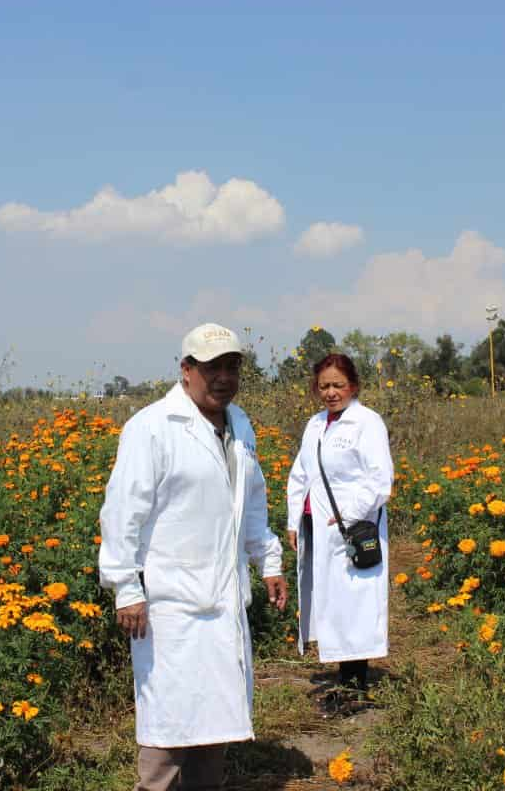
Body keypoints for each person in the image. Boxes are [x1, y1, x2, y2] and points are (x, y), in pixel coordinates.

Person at [99, 322, 288, 791]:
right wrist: (125, 588)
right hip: (170, 605)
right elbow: (122, 513)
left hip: (223, 600)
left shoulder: (240, 424)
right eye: (212, 368)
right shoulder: (152, 428)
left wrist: (268, 559)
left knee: (214, 724)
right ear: (186, 370)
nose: (223, 377)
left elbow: (252, 501)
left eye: (232, 367)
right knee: (167, 729)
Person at [285, 353, 392, 693]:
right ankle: (343, 678)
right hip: (317, 526)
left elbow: (380, 479)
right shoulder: (316, 424)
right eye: (324, 386)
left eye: (338, 385)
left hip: (352, 528)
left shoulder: (367, 422)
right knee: (331, 600)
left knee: (355, 603)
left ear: (354, 386)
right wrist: (292, 522)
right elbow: (300, 474)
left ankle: (355, 684)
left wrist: (351, 512)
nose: (331, 392)